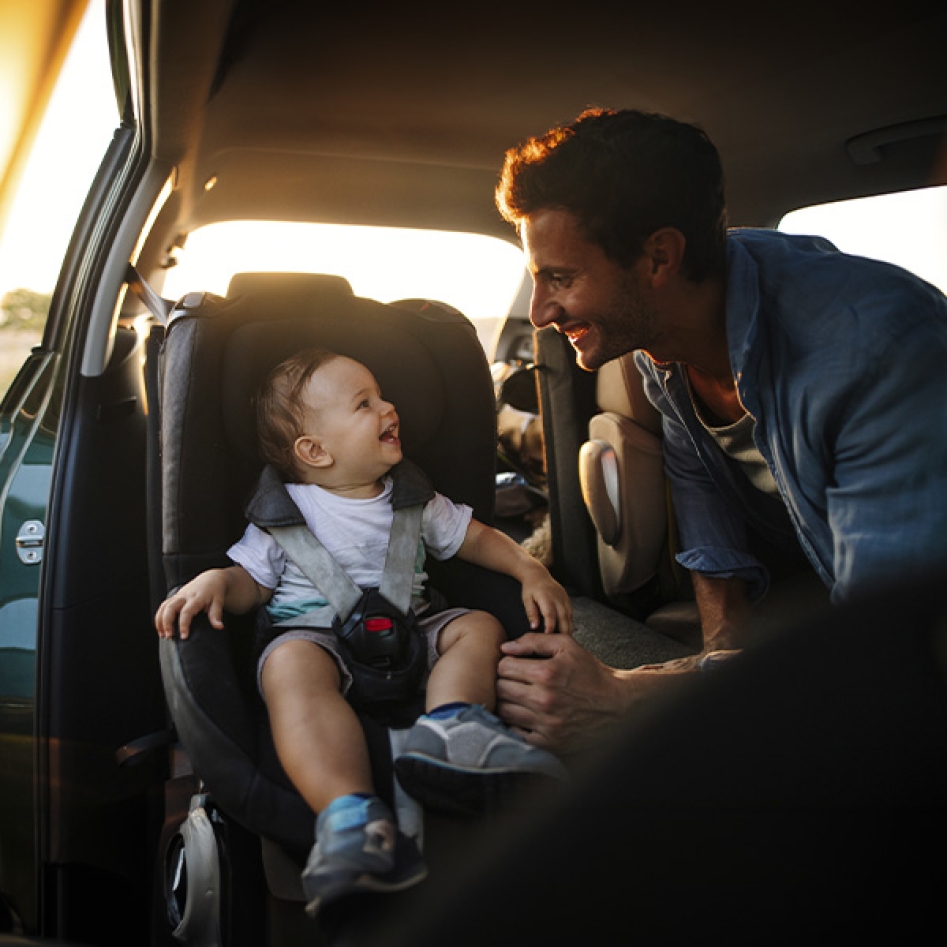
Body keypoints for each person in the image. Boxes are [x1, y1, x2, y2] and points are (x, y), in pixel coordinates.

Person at [492, 106, 947, 751]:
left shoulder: (876, 350)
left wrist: (627, 699)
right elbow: (699, 488)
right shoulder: (660, 340)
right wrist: (721, 655)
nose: (538, 312)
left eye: (560, 278)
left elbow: (884, 653)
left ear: (660, 257)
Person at [155, 348, 572, 917]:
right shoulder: (286, 511)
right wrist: (213, 582)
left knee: (477, 626)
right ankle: (349, 814)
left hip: (417, 631)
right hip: (317, 638)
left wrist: (529, 567)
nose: (388, 407)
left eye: (382, 395)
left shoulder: (415, 498)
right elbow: (250, 580)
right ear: (315, 451)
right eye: (364, 403)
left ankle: (452, 729)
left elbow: (475, 539)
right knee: (288, 668)